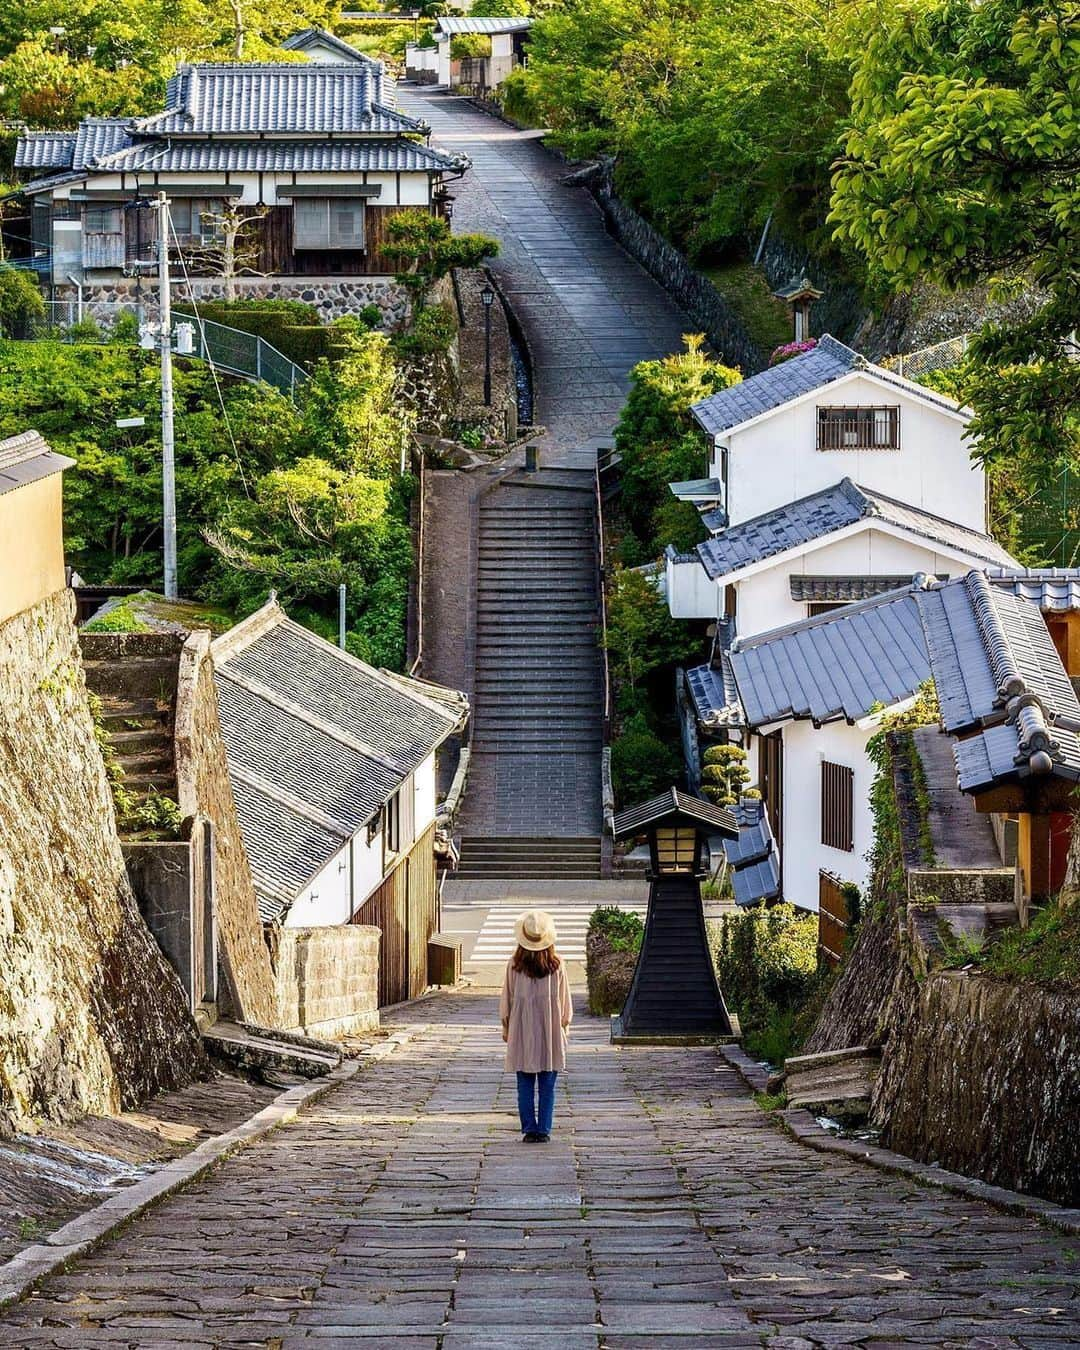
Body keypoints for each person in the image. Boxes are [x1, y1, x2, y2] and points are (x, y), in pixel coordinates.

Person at [499, 909, 573, 1143]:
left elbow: (506, 999)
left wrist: (506, 1026)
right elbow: (565, 1002)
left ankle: (529, 1128)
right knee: (548, 1084)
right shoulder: (556, 965)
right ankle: (544, 1129)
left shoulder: (514, 965)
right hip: (549, 1030)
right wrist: (564, 1024)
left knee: (525, 1082)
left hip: (522, 1029)